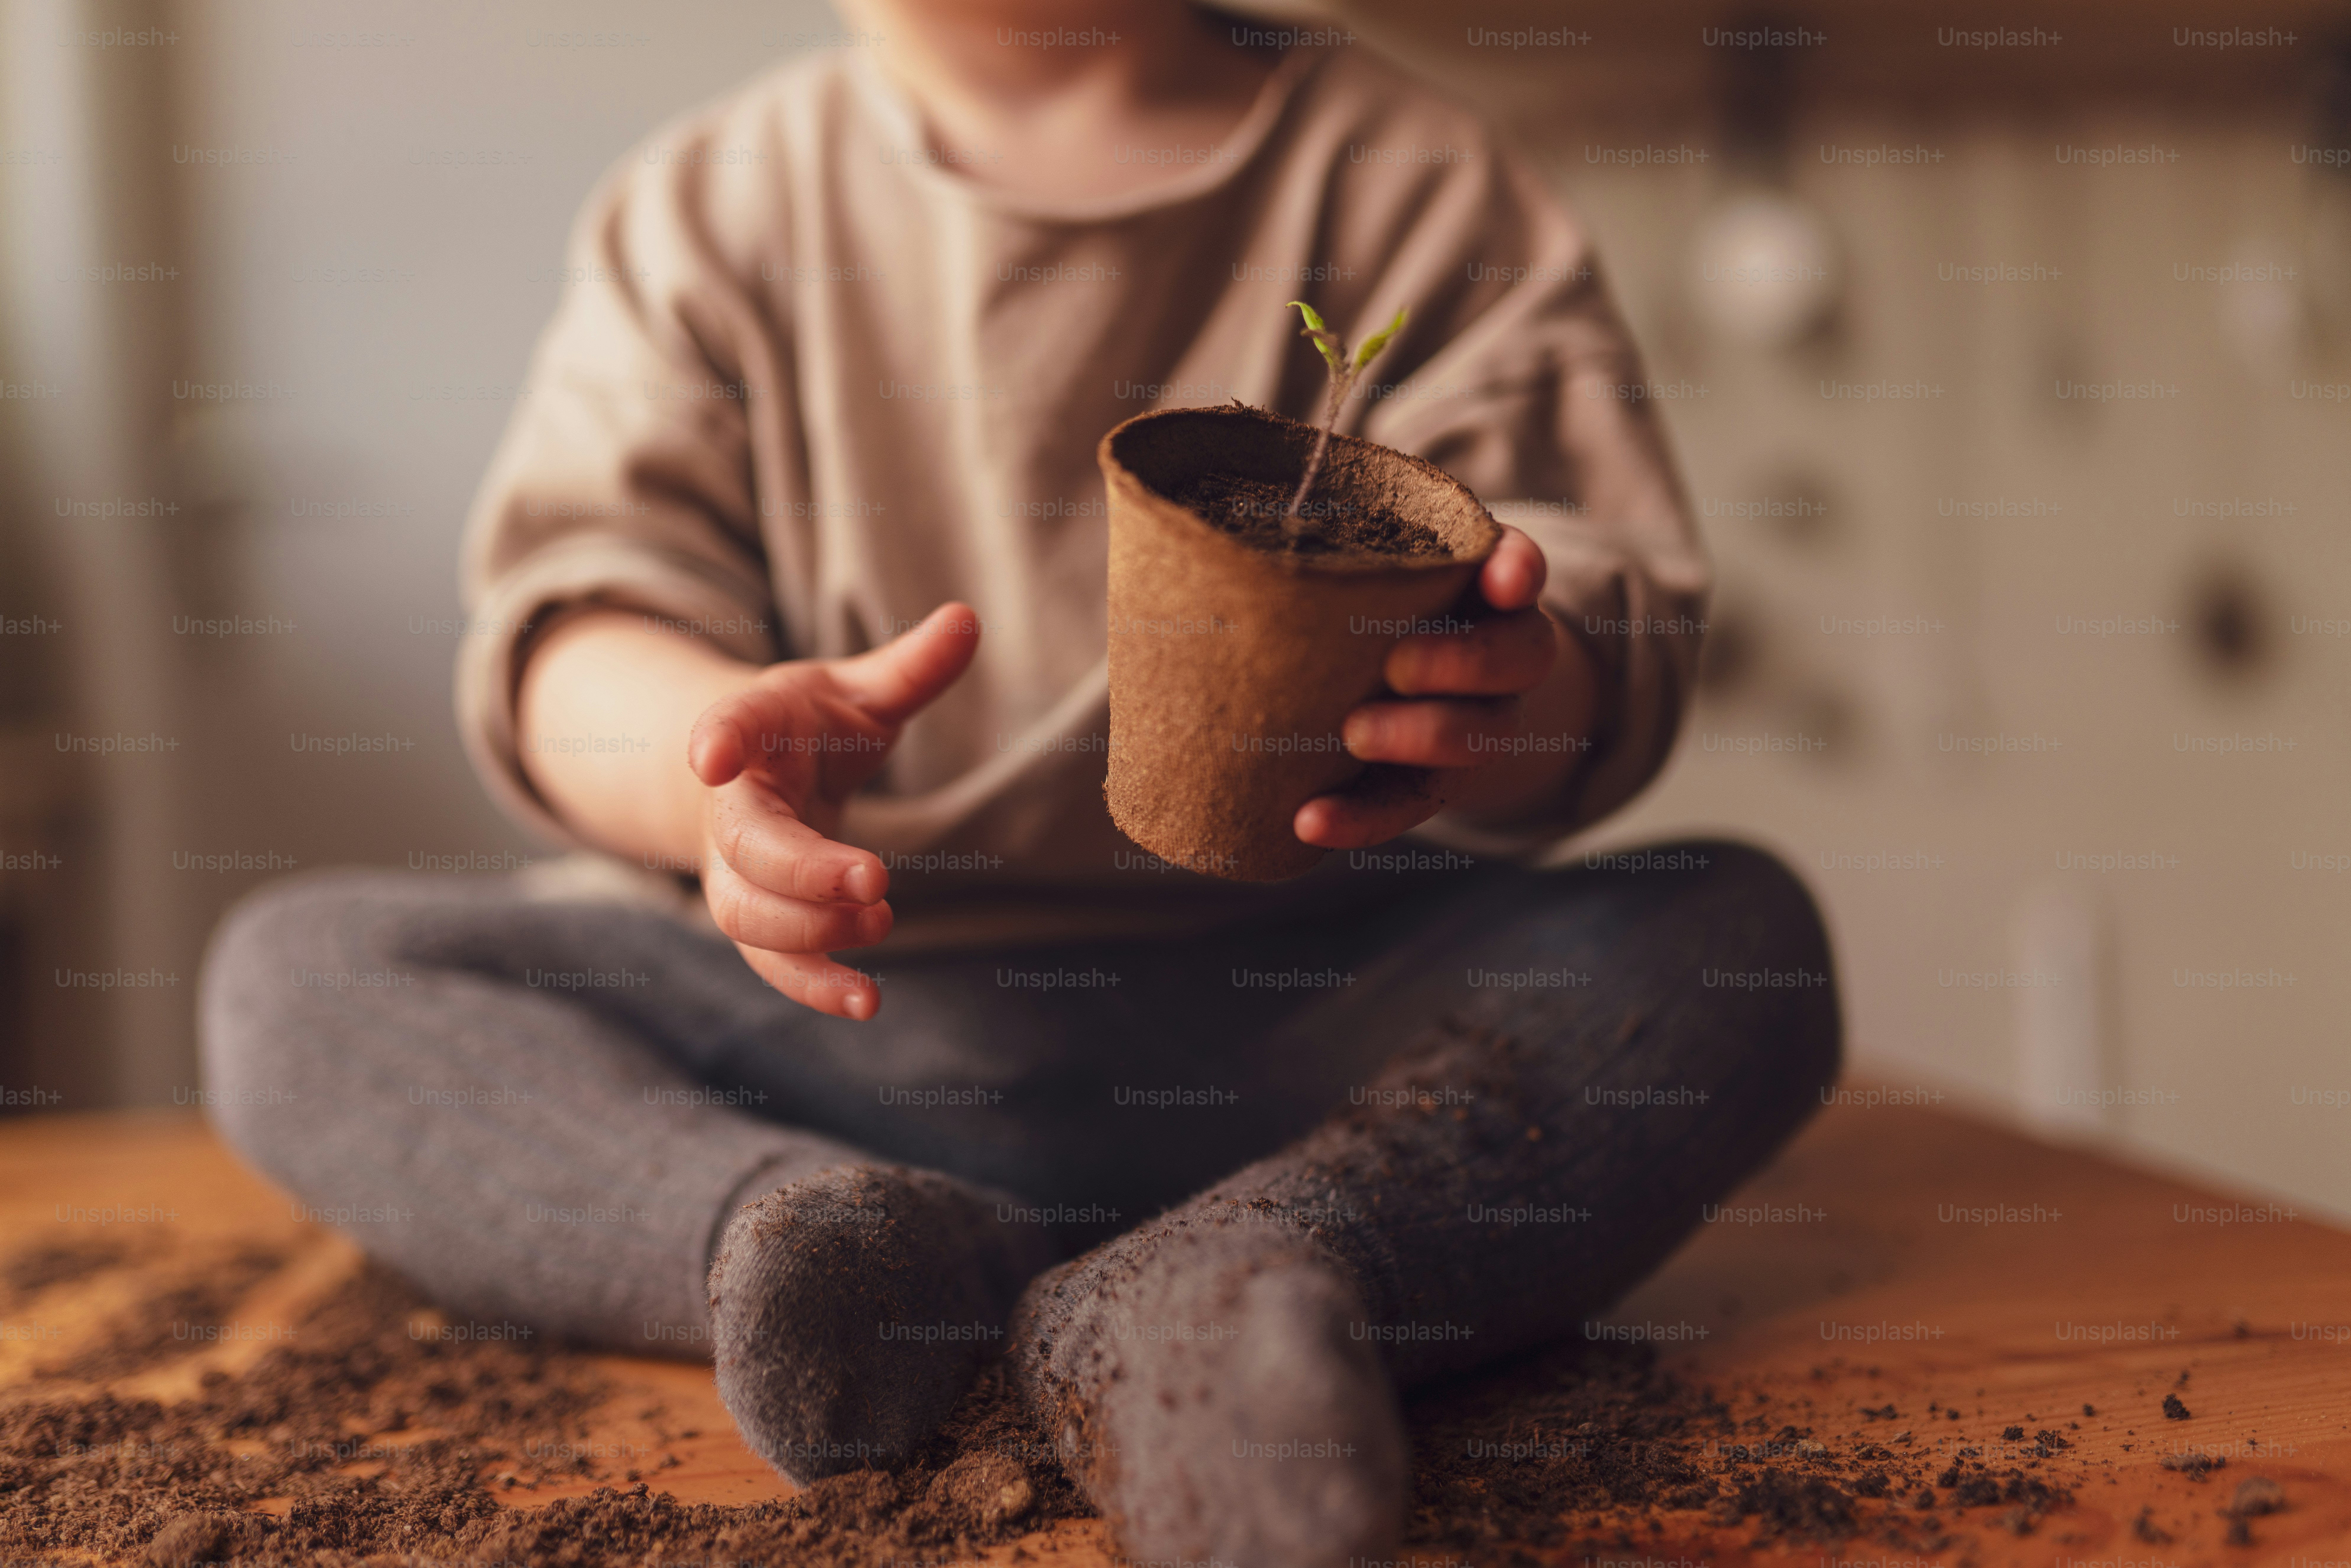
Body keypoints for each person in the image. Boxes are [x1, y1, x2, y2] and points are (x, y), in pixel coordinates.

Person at [198, 3, 1840, 1562]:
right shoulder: (710, 210)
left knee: (1736, 938)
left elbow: (1594, 618)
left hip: (1306, 1024)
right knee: (301, 980)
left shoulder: (1405, 176)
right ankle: (817, 1246)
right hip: (852, 1031)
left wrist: (1513, 697)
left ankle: (1265, 1262)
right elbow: (572, 621)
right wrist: (710, 765)